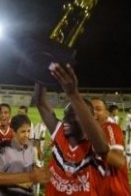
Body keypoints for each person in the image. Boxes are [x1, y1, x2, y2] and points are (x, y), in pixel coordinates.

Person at [34, 62, 118, 196]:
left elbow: (103, 148)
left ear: (87, 118)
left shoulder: (94, 143)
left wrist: (73, 94)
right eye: (66, 114)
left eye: (72, 115)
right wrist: (43, 70)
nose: (66, 119)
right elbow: (40, 102)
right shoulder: (60, 132)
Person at [90, 97, 131, 195]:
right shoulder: (86, 132)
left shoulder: (110, 128)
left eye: (98, 109)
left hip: (114, 190)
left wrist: (96, 143)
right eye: (90, 109)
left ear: (106, 113)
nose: (93, 112)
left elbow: (119, 161)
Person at [0, 114, 35, 196]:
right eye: (23, 131)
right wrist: (18, 183)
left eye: (28, 131)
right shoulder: (3, 151)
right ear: (13, 132)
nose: (27, 135)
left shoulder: (30, 150)